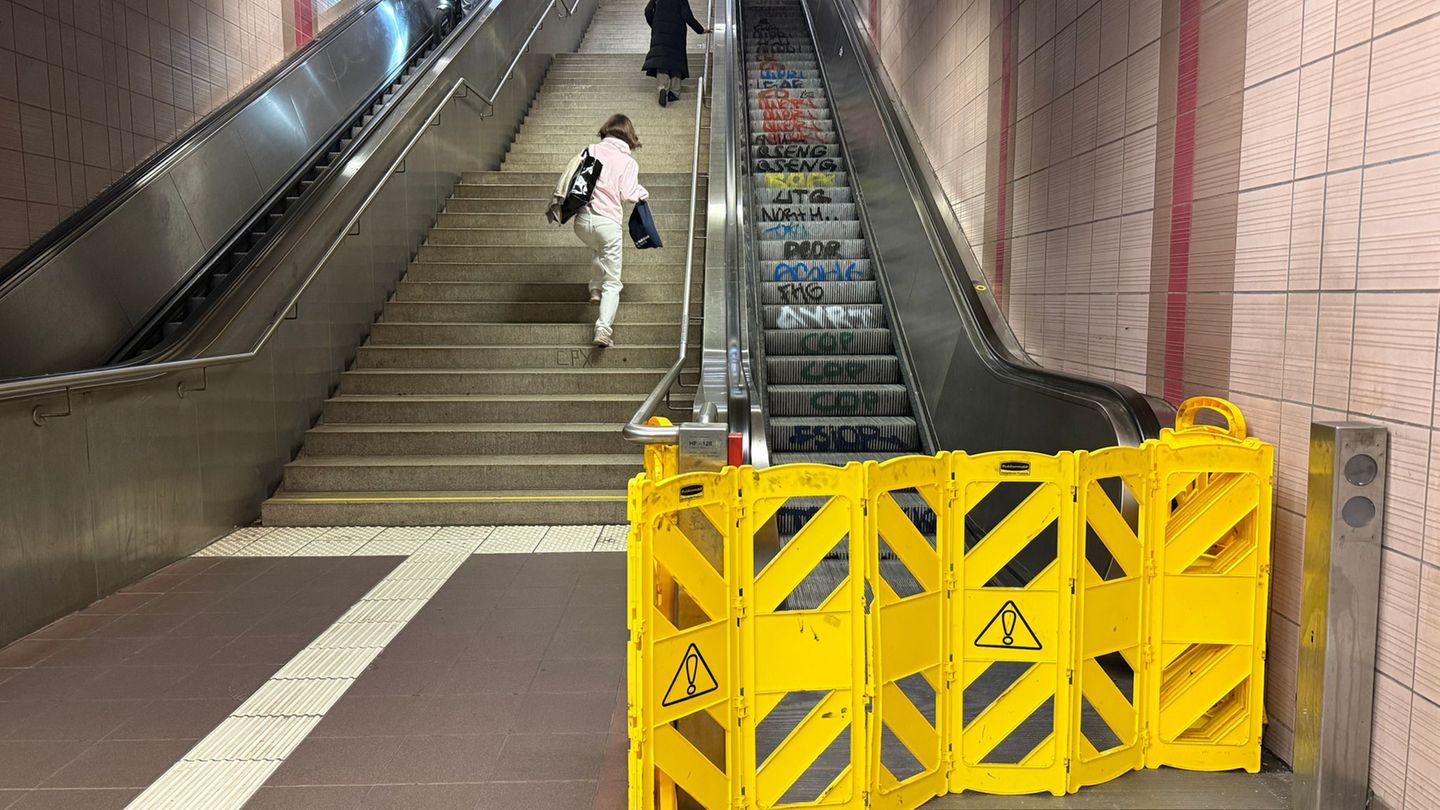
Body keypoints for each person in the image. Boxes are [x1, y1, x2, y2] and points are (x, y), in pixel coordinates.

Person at [572, 115, 649, 348]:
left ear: (607, 130)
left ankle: (595, 287)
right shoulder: (628, 162)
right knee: (613, 282)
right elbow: (628, 194)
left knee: (598, 247)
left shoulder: (591, 150)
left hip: (582, 220)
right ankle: (603, 329)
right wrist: (643, 193)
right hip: (608, 222)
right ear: (629, 135)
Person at [643, 0, 709, 107]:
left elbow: (647, 11)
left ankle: (663, 88)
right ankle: (674, 92)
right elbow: (688, 16)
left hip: (660, 31)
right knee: (676, 60)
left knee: (662, 59)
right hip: (677, 31)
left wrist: (655, 25)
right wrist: (700, 30)